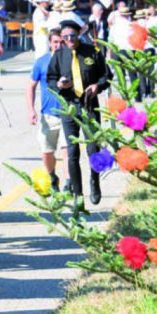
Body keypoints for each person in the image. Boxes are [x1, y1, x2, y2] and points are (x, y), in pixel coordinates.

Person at [47, 18, 109, 206]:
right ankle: (78, 194)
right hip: (69, 107)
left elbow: (106, 75)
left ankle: (95, 182)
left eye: (72, 35)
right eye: (65, 37)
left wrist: (97, 86)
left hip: (89, 105)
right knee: (72, 152)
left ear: (78, 35)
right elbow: (50, 78)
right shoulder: (59, 55)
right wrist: (58, 85)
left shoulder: (92, 51)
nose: (69, 39)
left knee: (92, 148)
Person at [28, 29, 64, 192]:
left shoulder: (71, 60)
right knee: (47, 153)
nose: (59, 45)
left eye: (62, 42)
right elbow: (30, 86)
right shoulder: (41, 62)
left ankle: (69, 184)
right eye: (56, 42)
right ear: (50, 43)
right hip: (48, 115)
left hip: (68, 115)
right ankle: (52, 176)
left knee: (67, 151)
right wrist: (31, 110)